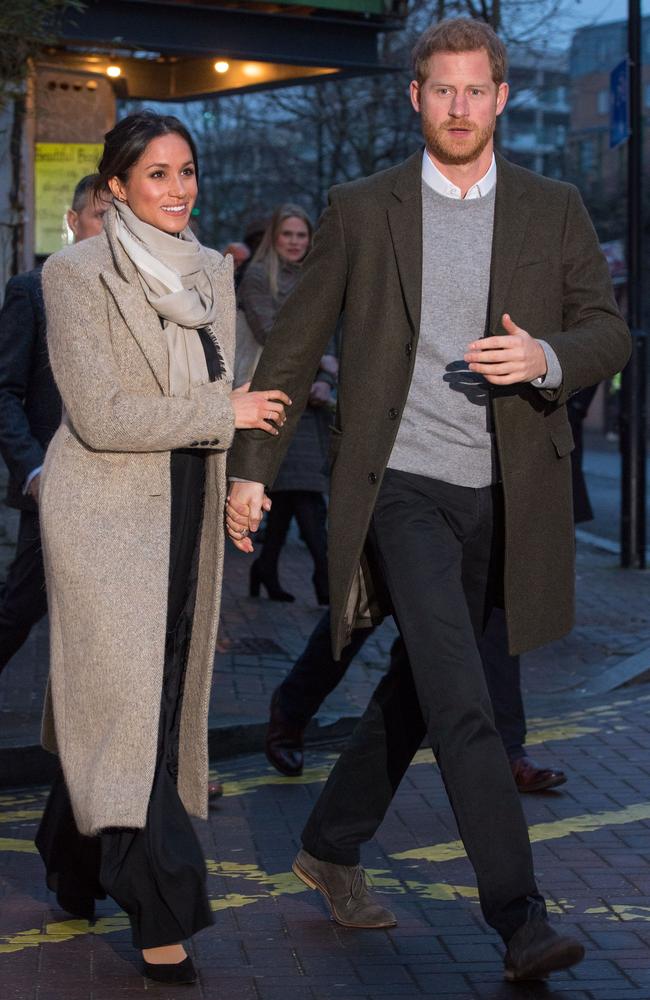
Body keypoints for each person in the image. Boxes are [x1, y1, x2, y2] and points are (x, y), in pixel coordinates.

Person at [226, 19, 630, 982]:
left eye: (475, 91)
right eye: (440, 90)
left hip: (507, 493)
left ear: (500, 99)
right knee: (465, 700)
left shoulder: (554, 204)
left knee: (418, 688)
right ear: (417, 98)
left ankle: (329, 844)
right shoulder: (362, 208)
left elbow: (609, 330)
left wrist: (547, 358)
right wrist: (249, 466)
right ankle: (519, 918)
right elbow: (290, 345)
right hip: (400, 487)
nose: (458, 107)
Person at [34, 110, 289, 984]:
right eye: (157, 175)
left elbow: (240, 388)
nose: (178, 190)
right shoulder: (74, 275)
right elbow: (101, 416)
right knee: (130, 698)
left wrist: (239, 480)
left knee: (156, 690)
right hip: (103, 511)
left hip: (186, 498)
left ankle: (70, 854)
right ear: (116, 186)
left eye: (186, 172)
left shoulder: (216, 272)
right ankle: (163, 909)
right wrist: (224, 416)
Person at [266, 606, 567, 793]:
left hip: (471, 510)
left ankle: (510, 751)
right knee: (357, 609)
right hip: (391, 507)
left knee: (492, 611)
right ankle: (292, 706)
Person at [0, 175, 110, 676]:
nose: (111, 230)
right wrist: (34, 470)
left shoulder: (143, 298)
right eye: (100, 217)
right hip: (57, 484)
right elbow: (5, 392)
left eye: (120, 219)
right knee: (20, 608)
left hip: (120, 490)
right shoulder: (31, 292)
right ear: (73, 222)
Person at [237, 205, 336, 604]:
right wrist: (321, 368)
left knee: (296, 493)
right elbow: (273, 334)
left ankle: (266, 569)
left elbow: (328, 339)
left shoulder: (316, 279)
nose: (295, 242)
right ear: (273, 237)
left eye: (302, 235)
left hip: (308, 405)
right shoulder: (259, 277)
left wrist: (326, 382)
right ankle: (326, 578)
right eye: (287, 234)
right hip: (269, 398)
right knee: (305, 493)